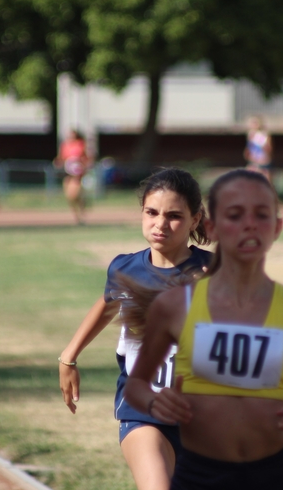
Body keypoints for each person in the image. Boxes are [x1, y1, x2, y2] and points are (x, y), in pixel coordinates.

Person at [124, 169, 283, 490]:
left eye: (261, 214)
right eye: (235, 214)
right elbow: (135, 387)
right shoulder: (175, 307)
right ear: (212, 227)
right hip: (200, 472)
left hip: (275, 473)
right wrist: (153, 401)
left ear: (277, 227)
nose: (249, 225)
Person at [59, 168, 211, 490]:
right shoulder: (124, 269)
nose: (160, 224)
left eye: (174, 216)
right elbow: (108, 303)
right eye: (151, 212)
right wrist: (69, 356)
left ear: (195, 220)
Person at [54, 130, 92, 225]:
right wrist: (58, 162)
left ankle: (82, 209)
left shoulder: (81, 145)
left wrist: (84, 167)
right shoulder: (65, 146)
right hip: (68, 174)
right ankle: (77, 215)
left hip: (77, 175)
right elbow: (61, 158)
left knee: (74, 194)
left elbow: (87, 158)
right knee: (69, 197)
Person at [243, 116, 273, 181]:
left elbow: (269, 149)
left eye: (255, 123)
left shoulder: (265, 135)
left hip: (263, 163)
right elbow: (248, 150)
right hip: (253, 162)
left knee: (266, 183)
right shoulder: (250, 135)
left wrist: (260, 143)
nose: (252, 125)